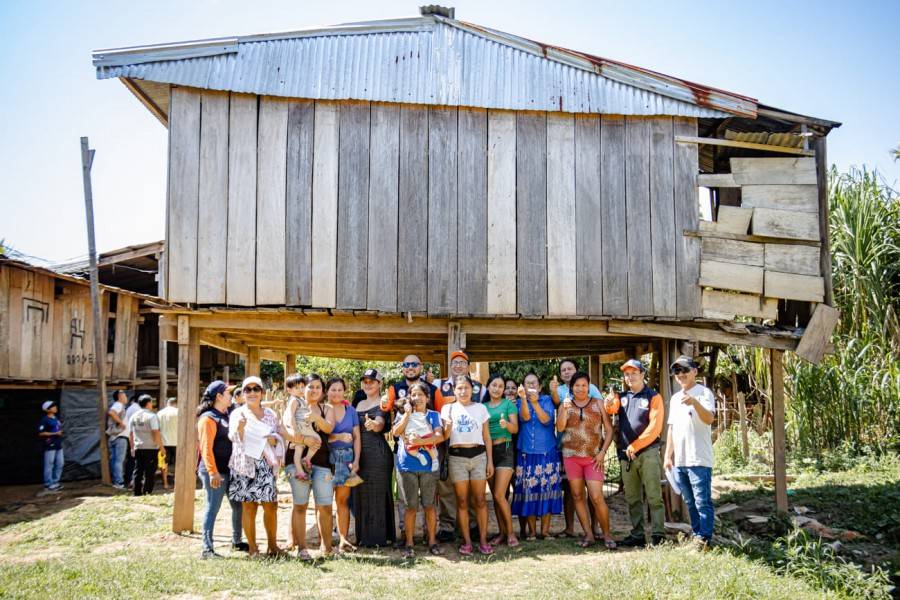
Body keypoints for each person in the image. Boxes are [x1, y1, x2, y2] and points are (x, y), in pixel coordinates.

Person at [604, 358, 666, 547]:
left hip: (647, 453)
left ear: (642, 374)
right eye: (626, 374)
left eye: (633, 373)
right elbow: (611, 409)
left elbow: (655, 428)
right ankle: (638, 535)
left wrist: (636, 446)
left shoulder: (653, 397)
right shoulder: (622, 397)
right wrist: (608, 402)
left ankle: (658, 536)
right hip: (626, 455)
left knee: (654, 496)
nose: (629, 377)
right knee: (632, 499)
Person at [228, 376, 287, 558]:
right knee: (249, 506)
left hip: (265, 464)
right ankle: (253, 549)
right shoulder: (238, 414)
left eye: (256, 389)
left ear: (262, 392)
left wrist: (274, 440)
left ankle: (273, 546)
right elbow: (233, 437)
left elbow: (279, 436)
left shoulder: (270, 414)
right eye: (248, 389)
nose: (252, 392)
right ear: (243, 393)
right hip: (245, 465)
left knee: (271, 505)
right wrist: (240, 428)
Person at [380, 354, 437, 541]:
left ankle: (430, 537)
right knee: (406, 500)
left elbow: (438, 425)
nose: (410, 367)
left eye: (414, 364)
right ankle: (406, 536)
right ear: (402, 367)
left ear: (420, 366)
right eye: (406, 364)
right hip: (403, 451)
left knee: (429, 501)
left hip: (428, 451)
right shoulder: (394, 389)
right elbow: (388, 415)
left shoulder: (433, 389)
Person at [557, 371, 616, 549]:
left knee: (596, 497)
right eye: (577, 385)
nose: (580, 388)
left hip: (593, 458)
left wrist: (602, 452)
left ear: (589, 386)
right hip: (571, 457)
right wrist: (565, 410)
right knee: (577, 496)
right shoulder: (565, 405)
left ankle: (606, 535)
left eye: (584, 385)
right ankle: (588, 535)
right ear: (571, 387)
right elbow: (560, 427)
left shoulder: (598, 403)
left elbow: (609, 430)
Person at [432, 350, 485, 542]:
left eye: (462, 362)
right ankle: (447, 526)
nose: (458, 365)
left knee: (471, 489)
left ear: (469, 366)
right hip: (444, 443)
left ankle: (471, 526)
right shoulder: (437, 384)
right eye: (454, 362)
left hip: (471, 445)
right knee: (446, 486)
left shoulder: (480, 388)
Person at [283, 374, 336, 559]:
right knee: (300, 505)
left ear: (322, 391)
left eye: (318, 387)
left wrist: (315, 417)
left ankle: (327, 548)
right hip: (295, 460)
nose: (314, 390)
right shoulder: (295, 405)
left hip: (321, 463)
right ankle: (302, 548)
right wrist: (303, 439)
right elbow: (284, 429)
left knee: (326, 506)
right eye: (310, 386)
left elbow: (329, 428)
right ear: (303, 388)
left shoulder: (326, 408)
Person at [665, 355, 716, 548]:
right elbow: (672, 428)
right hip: (680, 459)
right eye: (677, 371)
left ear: (695, 371)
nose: (681, 374)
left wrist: (695, 403)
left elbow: (709, 418)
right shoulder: (676, 397)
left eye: (685, 370)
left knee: (702, 501)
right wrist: (668, 456)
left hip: (699, 458)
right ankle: (697, 535)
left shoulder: (703, 393)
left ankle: (705, 538)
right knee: (690, 501)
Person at [440, 375, 494, 556]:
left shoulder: (480, 408)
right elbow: (445, 438)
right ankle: (467, 541)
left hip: (479, 456)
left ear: (473, 390)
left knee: (479, 500)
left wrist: (490, 461)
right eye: (459, 388)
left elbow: (487, 437)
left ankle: (484, 540)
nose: (463, 391)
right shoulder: (447, 408)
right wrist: (447, 426)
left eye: (466, 388)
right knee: (462, 501)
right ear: (454, 390)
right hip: (457, 458)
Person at [549, 358, 603, 539]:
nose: (566, 372)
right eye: (563, 369)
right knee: (572, 491)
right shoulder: (562, 390)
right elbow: (558, 407)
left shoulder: (591, 388)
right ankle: (571, 527)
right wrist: (554, 390)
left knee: (593, 493)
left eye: (569, 368)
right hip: (567, 446)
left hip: (590, 449)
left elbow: (598, 411)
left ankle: (595, 528)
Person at [196, 380, 249, 558]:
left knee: (238, 506)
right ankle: (207, 548)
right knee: (212, 508)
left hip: (229, 470)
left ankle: (236, 541)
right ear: (219, 396)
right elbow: (205, 448)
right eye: (228, 393)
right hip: (215, 471)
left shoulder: (226, 414)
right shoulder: (208, 418)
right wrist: (212, 472)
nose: (231, 396)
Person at [393, 381, 444, 558]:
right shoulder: (402, 413)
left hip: (429, 467)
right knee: (410, 506)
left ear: (427, 397)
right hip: (406, 465)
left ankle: (432, 541)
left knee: (429, 505)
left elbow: (440, 436)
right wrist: (406, 415)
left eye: (421, 394)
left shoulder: (433, 415)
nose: (417, 398)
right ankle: (409, 543)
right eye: (413, 395)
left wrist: (421, 442)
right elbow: (395, 432)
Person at [511, 373, 562, 540]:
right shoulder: (518, 402)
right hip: (526, 453)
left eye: (534, 383)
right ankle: (532, 532)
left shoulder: (547, 400)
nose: (530, 385)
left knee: (547, 490)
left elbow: (547, 420)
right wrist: (526, 400)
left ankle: (545, 531)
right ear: (523, 387)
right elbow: (525, 417)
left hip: (547, 452)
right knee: (528, 491)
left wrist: (535, 403)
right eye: (527, 383)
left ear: (540, 387)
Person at [353, 368, 396, 548]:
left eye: (372, 381)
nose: (368, 384)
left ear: (380, 384)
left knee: (378, 494)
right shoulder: (357, 402)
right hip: (358, 454)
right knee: (360, 494)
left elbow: (380, 424)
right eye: (365, 381)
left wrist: (374, 425)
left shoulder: (384, 402)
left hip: (378, 453)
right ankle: (363, 537)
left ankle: (380, 538)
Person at [324, 377, 362, 553]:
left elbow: (356, 438)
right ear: (327, 391)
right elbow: (323, 437)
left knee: (342, 500)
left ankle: (343, 539)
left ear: (344, 391)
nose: (336, 393)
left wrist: (356, 461)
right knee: (324, 501)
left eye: (340, 389)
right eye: (333, 389)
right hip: (326, 459)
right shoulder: (322, 409)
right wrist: (337, 437)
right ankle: (325, 542)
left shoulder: (351, 410)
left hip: (347, 459)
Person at [484, 374, 519, 548]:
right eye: (494, 385)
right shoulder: (482, 407)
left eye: (500, 386)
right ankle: (501, 533)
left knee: (499, 494)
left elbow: (515, 429)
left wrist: (507, 425)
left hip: (505, 450)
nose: (497, 389)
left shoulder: (508, 405)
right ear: (488, 387)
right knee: (498, 497)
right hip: (488, 452)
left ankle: (511, 534)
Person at [128, 394, 164, 496]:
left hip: (138, 447)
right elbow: (155, 432)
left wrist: (132, 448)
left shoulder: (134, 416)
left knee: (138, 470)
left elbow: (130, 433)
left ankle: (137, 492)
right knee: (150, 471)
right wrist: (161, 447)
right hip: (151, 447)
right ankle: (147, 492)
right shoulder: (152, 416)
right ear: (148, 403)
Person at [284, 375, 317, 481]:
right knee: (303, 447)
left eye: (302, 387)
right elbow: (290, 416)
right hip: (299, 427)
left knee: (306, 446)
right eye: (297, 388)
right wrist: (295, 430)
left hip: (304, 426)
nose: (301, 390)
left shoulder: (301, 399)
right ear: (289, 390)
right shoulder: (294, 400)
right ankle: (300, 469)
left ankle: (306, 460)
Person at [106, 390, 130, 489]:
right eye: (125, 395)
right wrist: (121, 423)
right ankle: (119, 482)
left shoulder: (117, 405)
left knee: (115, 460)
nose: (126, 397)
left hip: (113, 437)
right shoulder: (119, 405)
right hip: (120, 437)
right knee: (119, 461)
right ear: (120, 396)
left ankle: (116, 480)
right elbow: (111, 412)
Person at [38, 400, 64, 492]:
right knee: (49, 464)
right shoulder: (45, 420)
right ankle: (48, 484)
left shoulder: (56, 418)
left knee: (60, 463)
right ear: (48, 409)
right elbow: (41, 433)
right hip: (50, 445)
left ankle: (55, 482)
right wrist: (55, 433)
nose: (55, 408)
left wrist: (59, 433)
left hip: (58, 444)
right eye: (53, 406)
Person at [157, 397, 178, 489]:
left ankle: (165, 483)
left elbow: (156, 429)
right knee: (178, 464)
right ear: (176, 403)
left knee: (164, 464)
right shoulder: (179, 412)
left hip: (163, 443)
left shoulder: (159, 413)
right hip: (177, 442)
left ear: (167, 403)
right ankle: (177, 482)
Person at [123, 395, 141, 489]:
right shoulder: (137, 409)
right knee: (134, 460)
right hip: (135, 437)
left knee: (130, 460)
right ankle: (131, 480)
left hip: (129, 436)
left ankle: (128, 479)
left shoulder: (129, 408)